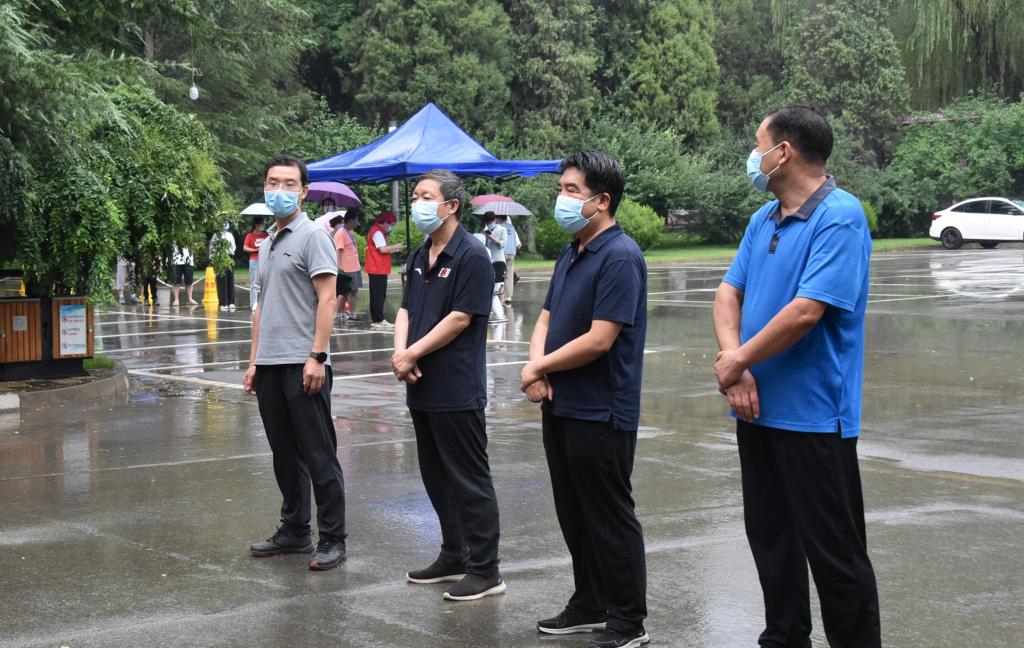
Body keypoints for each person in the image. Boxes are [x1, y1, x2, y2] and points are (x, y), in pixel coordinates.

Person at [711, 105, 880, 648]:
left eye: (757, 143)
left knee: (835, 553)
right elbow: (728, 293)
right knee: (770, 539)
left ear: (782, 152)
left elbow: (807, 311)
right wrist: (736, 364)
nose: (752, 155)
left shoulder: (840, 216)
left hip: (814, 417)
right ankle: (784, 637)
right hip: (755, 409)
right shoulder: (764, 219)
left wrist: (738, 360)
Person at [520, 151, 650, 648]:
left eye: (572, 190)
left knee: (609, 515)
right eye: (562, 188)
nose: (562, 198)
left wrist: (540, 368)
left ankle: (628, 620)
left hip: (602, 409)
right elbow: (546, 320)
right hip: (562, 402)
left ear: (602, 200)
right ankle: (590, 602)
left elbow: (600, 339)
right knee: (574, 512)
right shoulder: (572, 252)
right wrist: (537, 367)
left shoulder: (620, 256)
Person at [391, 169, 504, 602]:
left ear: (451, 205)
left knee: (469, 480)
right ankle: (454, 554)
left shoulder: (472, 254)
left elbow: (460, 318)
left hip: (456, 386)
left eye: (426, 197)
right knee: (436, 476)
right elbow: (405, 310)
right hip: (420, 384)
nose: (417, 204)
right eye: (415, 196)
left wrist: (411, 355)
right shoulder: (420, 253)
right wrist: (401, 353)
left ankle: (486, 569)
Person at [242, 154, 347, 572]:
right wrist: (254, 361)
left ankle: (333, 538)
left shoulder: (313, 236)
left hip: (303, 362)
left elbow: (328, 298)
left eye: (289, 184)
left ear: (303, 192)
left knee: (319, 454)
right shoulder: (267, 242)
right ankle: (295, 530)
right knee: (284, 454)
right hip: (270, 364)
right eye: (273, 182)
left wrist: (317, 356)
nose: (279, 190)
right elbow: (261, 307)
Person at [365, 212, 405, 329]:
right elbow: (382, 249)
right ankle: (378, 319)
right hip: (377, 267)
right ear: (386, 222)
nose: (391, 227)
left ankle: (377, 319)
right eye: (391, 224)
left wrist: (395, 248)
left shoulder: (378, 231)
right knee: (378, 295)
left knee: (377, 294)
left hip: (377, 267)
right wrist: (397, 246)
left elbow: (383, 248)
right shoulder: (377, 232)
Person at [333, 210, 363, 322]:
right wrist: (339, 268)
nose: (358, 223)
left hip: (354, 267)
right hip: (346, 268)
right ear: (351, 220)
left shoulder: (349, 232)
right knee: (343, 292)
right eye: (356, 220)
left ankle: (352, 313)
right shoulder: (341, 233)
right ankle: (337, 314)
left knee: (353, 291)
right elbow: (338, 250)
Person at [481, 213, 508, 323]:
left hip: (498, 262)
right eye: (487, 222)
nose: (489, 224)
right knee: (489, 291)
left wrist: (492, 238)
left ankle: (499, 315)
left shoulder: (502, 230)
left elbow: (503, 245)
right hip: (487, 261)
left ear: (494, 220)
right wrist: (483, 236)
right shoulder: (485, 230)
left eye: (490, 222)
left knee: (494, 292)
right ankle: (494, 313)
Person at [243, 218, 269, 309]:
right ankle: (253, 303)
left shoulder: (265, 235)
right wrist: (256, 250)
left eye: (263, 224)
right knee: (254, 282)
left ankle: (263, 302)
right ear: (256, 225)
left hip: (264, 260)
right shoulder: (250, 235)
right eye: (261, 224)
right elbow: (245, 248)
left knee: (264, 282)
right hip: (254, 260)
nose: (262, 226)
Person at [211, 223, 237, 311]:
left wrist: (229, 254)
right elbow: (212, 248)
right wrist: (213, 259)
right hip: (219, 258)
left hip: (229, 257)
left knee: (230, 279)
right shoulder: (216, 235)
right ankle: (223, 303)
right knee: (221, 280)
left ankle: (231, 302)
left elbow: (233, 247)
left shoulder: (230, 235)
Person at [497, 214, 521, 303]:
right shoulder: (512, 227)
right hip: (511, 253)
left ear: (499, 218)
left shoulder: (498, 227)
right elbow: (516, 240)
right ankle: (508, 297)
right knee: (509, 275)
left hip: (502, 252)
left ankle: (499, 295)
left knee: (499, 273)